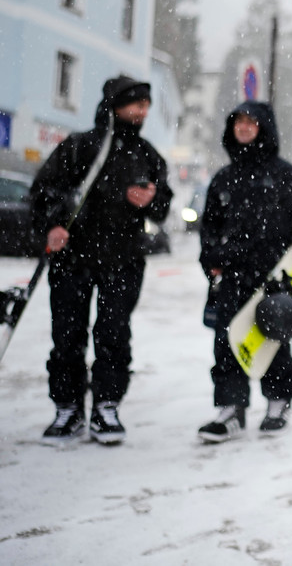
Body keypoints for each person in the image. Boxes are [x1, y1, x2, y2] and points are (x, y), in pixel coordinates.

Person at [30, 75, 173, 445]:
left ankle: (107, 406)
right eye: (135, 103)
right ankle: (67, 408)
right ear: (115, 104)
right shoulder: (80, 147)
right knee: (67, 335)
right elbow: (44, 190)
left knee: (113, 336)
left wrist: (152, 202)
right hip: (72, 260)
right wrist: (53, 226)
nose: (141, 111)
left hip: (122, 260)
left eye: (145, 105)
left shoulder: (148, 155)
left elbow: (163, 206)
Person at [196, 101, 292, 443]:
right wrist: (211, 260)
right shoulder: (223, 178)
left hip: (275, 278)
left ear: (263, 128)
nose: (243, 127)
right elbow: (208, 227)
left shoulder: (287, 176)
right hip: (233, 277)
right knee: (227, 341)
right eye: (238, 121)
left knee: (274, 340)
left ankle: (278, 402)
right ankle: (230, 409)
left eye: (250, 122)